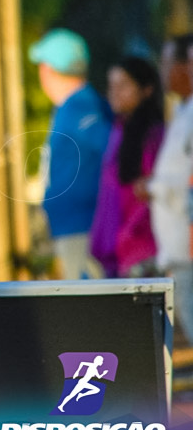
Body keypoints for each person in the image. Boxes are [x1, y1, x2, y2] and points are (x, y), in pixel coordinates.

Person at [29, 28, 112, 279]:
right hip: (74, 226)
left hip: (83, 227)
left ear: (48, 69)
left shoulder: (80, 106)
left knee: (88, 307)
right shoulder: (72, 106)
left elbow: (111, 153)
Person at [89, 57, 165, 277]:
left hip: (141, 253)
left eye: (123, 85)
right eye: (111, 85)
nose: (114, 92)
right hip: (115, 254)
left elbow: (148, 195)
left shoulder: (153, 136)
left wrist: (127, 237)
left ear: (147, 89)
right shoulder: (118, 130)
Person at [148, 34, 193, 337]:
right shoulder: (182, 111)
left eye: (168, 62)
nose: (163, 71)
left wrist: (156, 188)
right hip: (178, 244)